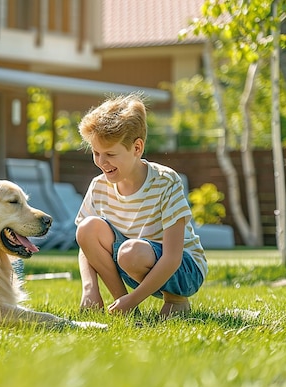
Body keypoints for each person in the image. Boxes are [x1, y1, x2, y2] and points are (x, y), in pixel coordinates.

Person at [74, 93, 207, 317]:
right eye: (96, 153)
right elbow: (86, 245)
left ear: (137, 148)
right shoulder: (99, 186)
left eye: (110, 154)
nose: (102, 162)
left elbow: (173, 257)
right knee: (87, 227)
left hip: (182, 269)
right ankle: (123, 307)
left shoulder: (166, 181)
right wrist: (90, 288)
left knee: (130, 253)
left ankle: (176, 300)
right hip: (132, 263)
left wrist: (133, 299)